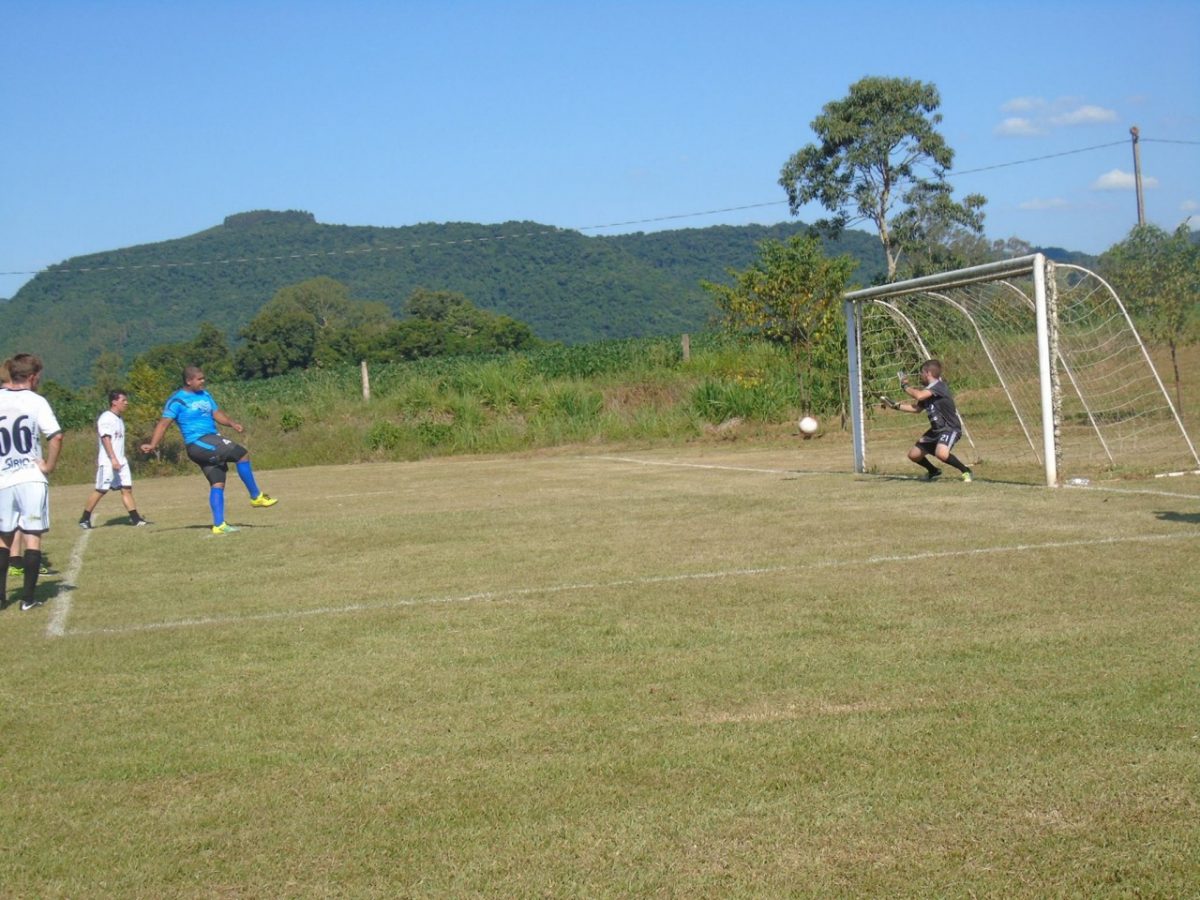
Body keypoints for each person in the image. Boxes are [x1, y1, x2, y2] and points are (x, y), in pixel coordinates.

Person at [140, 366, 277, 535]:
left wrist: (232, 423)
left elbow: (216, 413)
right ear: (188, 381)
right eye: (199, 379)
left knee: (218, 482)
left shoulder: (205, 395)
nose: (202, 381)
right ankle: (256, 496)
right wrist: (153, 444)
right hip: (198, 442)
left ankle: (219, 525)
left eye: (203, 378)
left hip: (209, 440)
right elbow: (163, 424)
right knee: (242, 454)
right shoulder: (177, 400)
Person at [0, 353, 64, 611]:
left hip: (3, 478)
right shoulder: (36, 401)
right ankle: (27, 599)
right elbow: (56, 436)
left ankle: (1, 598)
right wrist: (48, 465)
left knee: (4, 538)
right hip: (30, 477)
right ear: (32, 376)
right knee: (32, 536)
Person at [880, 358, 973, 483]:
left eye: (921, 374)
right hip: (935, 430)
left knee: (941, 454)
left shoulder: (939, 386)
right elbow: (917, 409)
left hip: (949, 428)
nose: (920, 377)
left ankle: (966, 470)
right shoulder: (928, 390)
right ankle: (934, 471)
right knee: (913, 455)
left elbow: (918, 395)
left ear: (928, 373)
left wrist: (905, 386)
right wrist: (895, 406)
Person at [79, 389, 151, 529]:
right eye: (123, 400)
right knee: (101, 489)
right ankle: (84, 518)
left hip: (121, 461)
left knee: (127, 489)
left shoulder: (119, 419)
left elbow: (118, 440)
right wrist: (113, 459)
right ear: (114, 402)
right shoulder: (106, 417)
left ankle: (136, 519)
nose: (126, 403)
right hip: (108, 461)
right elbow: (106, 439)